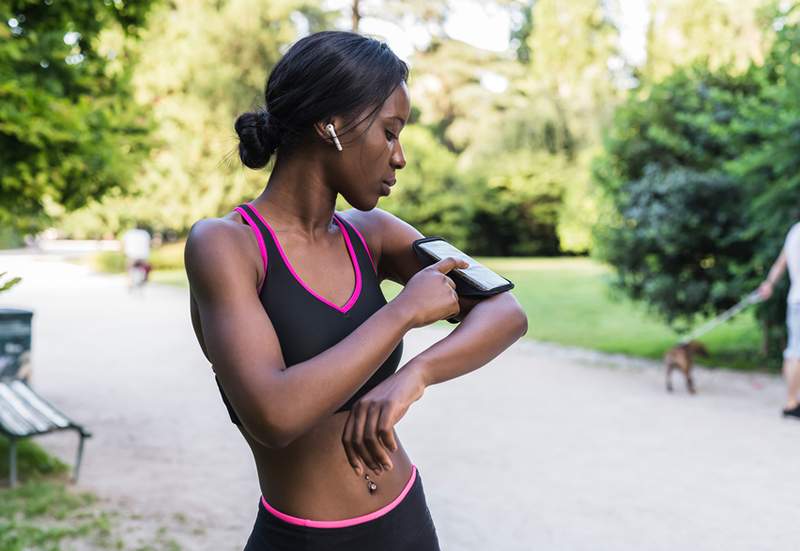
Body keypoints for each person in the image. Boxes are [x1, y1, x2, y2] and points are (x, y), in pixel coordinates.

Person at [184, 31, 528, 550]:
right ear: (332, 126)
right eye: (390, 132)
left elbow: (505, 309)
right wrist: (403, 313)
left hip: (404, 521)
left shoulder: (373, 234)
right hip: (304, 538)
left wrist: (413, 377)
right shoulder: (226, 246)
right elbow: (275, 415)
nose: (400, 157)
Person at [758, 221, 800, 419]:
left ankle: (792, 400)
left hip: (795, 300)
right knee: (796, 353)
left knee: (794, 352)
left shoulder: (795, 231)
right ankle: (792, 403)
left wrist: (769, 284)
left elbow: (779, 264)